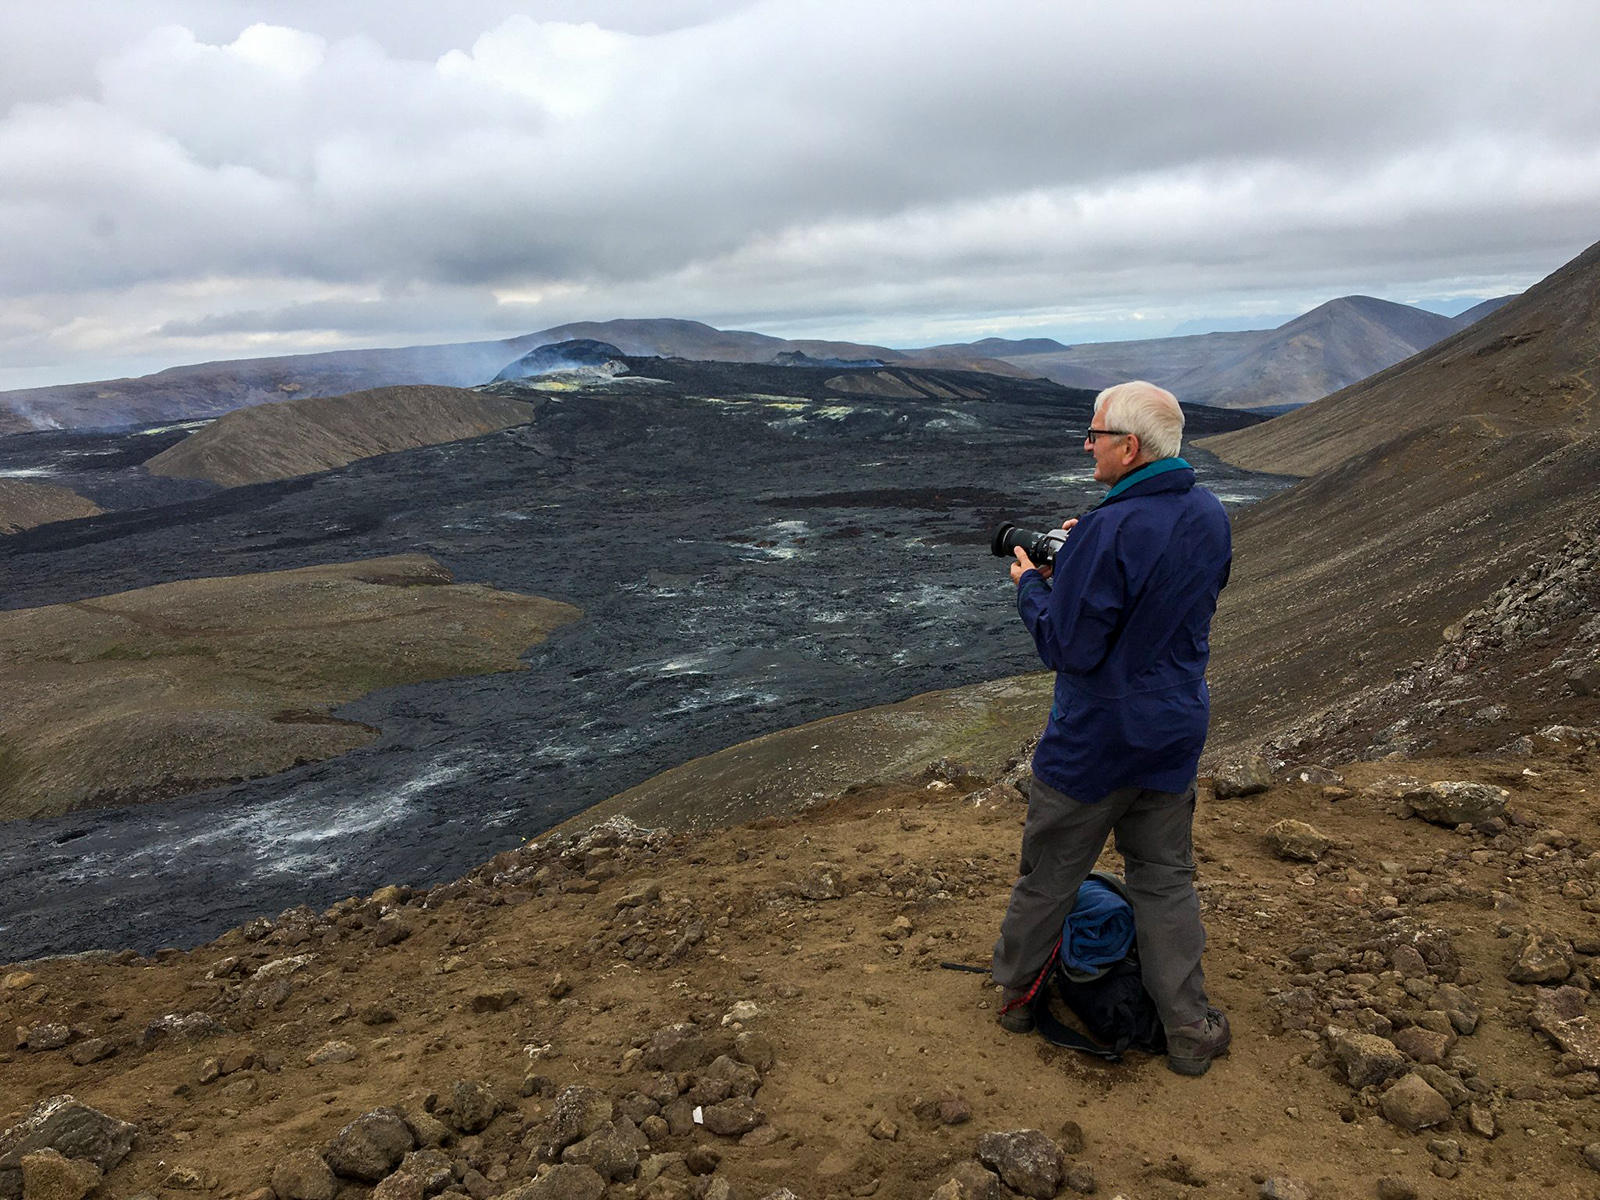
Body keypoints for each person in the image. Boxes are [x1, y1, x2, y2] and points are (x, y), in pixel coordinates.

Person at [991, 380, 1233, 1076]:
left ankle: (1015, 1001)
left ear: (1128, 447)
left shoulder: (1110, 528)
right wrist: (1086, 552)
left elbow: (1069, 646)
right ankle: (1188, 1031)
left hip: (1093, 745)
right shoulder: (1209, 512)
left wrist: (1032, 586)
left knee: (1048, 879)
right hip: (1173, 732)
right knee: (1164, 878)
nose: (1088, 445)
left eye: (1094, 435)